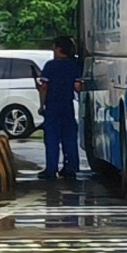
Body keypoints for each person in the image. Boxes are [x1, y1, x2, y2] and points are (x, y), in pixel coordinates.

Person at [39, 34, 84, 182]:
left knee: (52, 139)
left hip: (52, 106)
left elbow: (44, 87)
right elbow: (77, 87)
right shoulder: (74, 66)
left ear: (59, 49)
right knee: (69, 138)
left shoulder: (50, 66)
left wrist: (42, 104)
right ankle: (70, 168)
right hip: (67, 106)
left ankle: (51, 170)